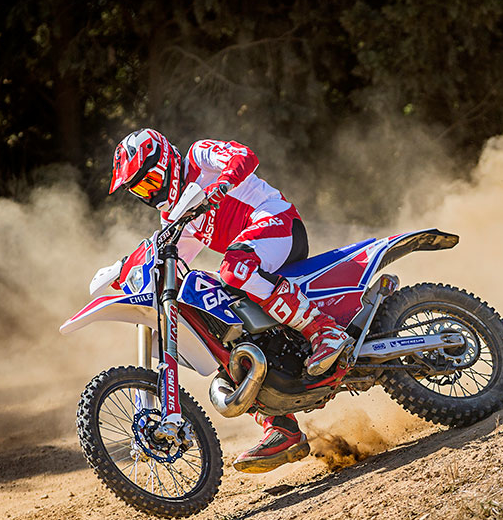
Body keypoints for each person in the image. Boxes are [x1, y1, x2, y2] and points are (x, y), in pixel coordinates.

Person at [108, 128, 352, 472]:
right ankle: (281, 427)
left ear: (164, 161)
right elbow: (175, 259)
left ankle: (323, 330)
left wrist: (220, 185)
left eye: (149, 182)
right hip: (250, 257)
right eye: (139, 190)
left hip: (278, 222)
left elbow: (244, 156)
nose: (149, 193)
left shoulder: (199, 157)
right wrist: (125, 271)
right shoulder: (174, 216)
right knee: (215, 323)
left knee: (233, 268)